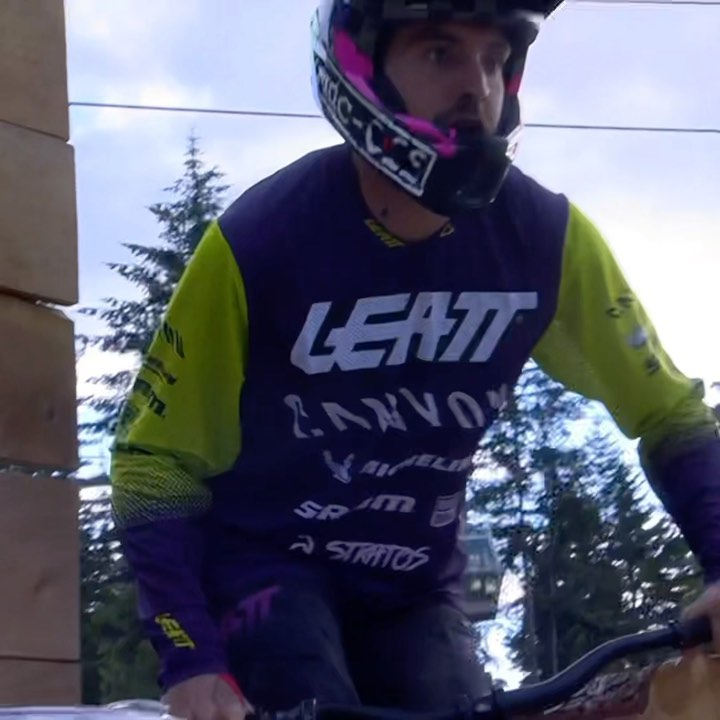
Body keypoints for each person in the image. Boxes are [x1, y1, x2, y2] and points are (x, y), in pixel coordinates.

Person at [109, 1, 720, 719]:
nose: (477, 87)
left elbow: (670, 413)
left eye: (494, 59)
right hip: (266, 574)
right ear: (360, 67)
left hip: (415, 589)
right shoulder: (260, 241)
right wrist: (189, 658)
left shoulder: (547, 239)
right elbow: (155, 461)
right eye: (440, 53)